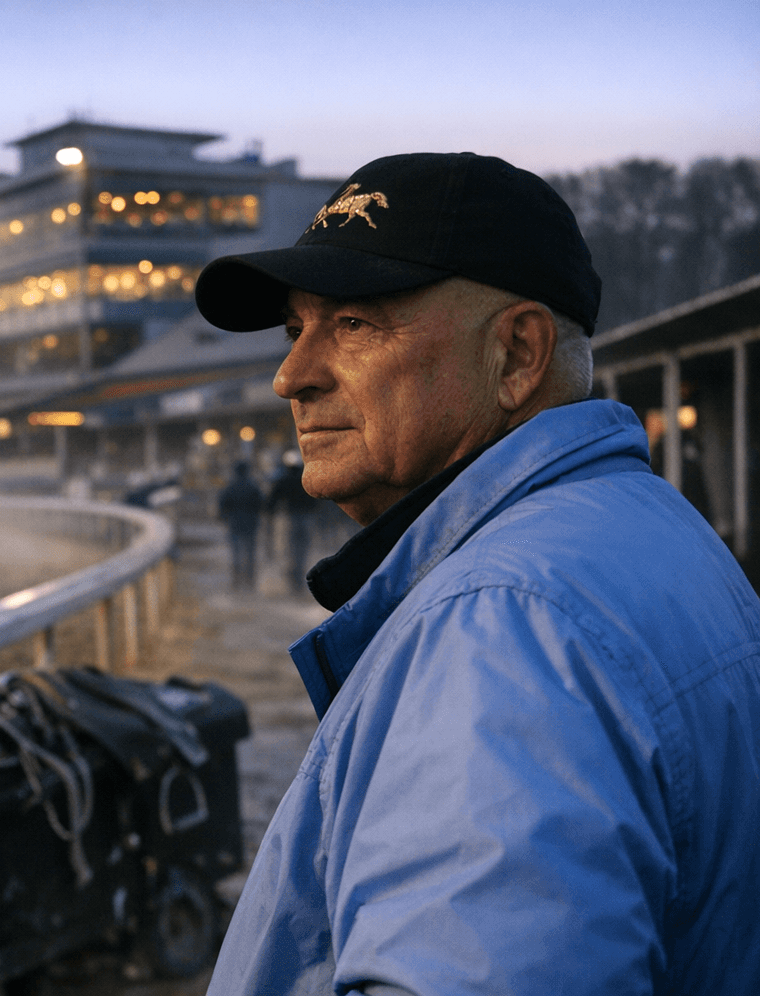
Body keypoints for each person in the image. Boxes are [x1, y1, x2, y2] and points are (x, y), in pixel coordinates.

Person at [192, 152, 760, 994]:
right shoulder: (649, 530)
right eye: (294, 328)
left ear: (517, 356)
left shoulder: (503, 624)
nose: (292, 376)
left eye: (352, 324)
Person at [265, 449, 318, 595]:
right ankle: (300, 579)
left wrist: (270, 514)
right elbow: (317, 499)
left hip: (291, 518)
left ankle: (293, 578)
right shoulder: (307, 478)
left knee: (290, 549)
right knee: (303, 549)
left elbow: (272, 500)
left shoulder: (283, 479)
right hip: (307, 518)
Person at [217, 461, 263, 589]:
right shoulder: (253, 486)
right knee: (250, 553)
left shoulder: (231, 486)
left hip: (235, 523)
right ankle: (250, 580)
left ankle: (236, 580)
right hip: (251, 523)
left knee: (236, 553)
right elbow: (261, 503)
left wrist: (224, 517)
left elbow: (223, 504)